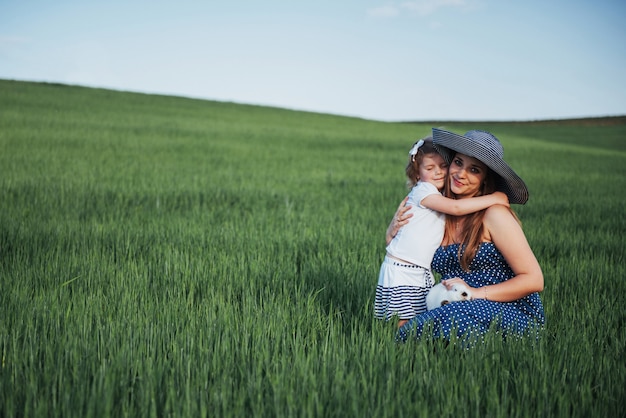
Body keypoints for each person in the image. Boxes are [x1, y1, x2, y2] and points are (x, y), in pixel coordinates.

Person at [392, 128, 545, 345]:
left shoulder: (494, 214)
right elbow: (400, 252)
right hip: (454, 304)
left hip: (509, 309)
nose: (461, 174)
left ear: (484, 179)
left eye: (474, 169)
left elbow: (534, 279)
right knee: (408, 328)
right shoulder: (436, 214)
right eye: (458, 163)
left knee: (450, 320)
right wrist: (392, 227)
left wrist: (474, 293)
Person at [374, 137, 510, 328]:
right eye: (430, 168)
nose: (438, 172)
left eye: (443, 166)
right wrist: (494, 198)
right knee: (406, 322)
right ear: (417, 175)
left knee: (418, 319)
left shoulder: (439, 199)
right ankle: (398, 350)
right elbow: (455, 207)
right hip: (405, 270)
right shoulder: (425, 191)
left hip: (419, 271)